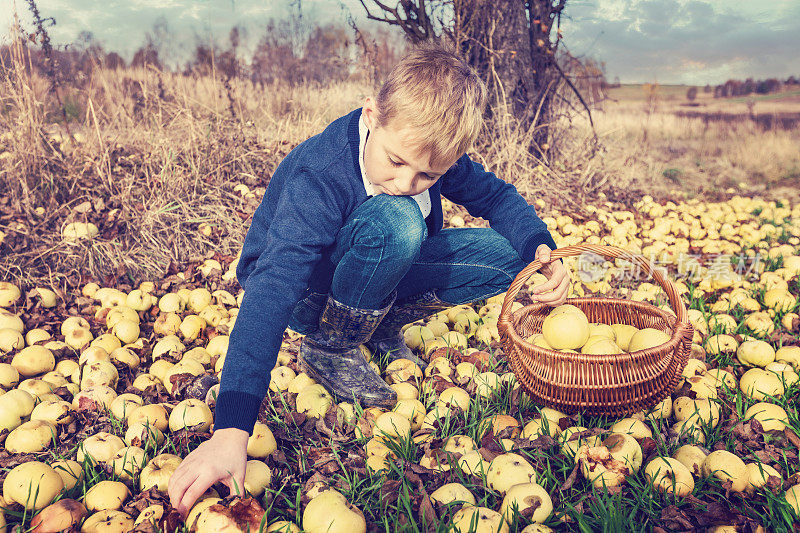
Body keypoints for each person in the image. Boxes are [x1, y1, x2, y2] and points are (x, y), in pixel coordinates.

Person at [168, 42, 570, 516]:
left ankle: (376, 326)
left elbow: (498, 199)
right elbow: (274, 287)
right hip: (305, 292)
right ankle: (331, 345)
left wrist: (543, 251)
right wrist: (231, 431)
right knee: (398, 219)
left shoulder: (428, 148)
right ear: (372, 115)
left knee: (509, 258)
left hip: (380, 266)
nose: (406, 181)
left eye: (428, 175)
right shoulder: (323, 173)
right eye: (396, 161)